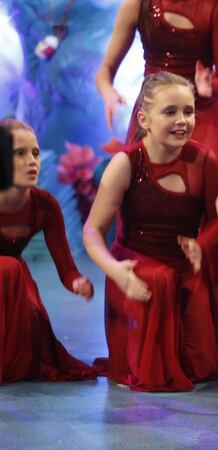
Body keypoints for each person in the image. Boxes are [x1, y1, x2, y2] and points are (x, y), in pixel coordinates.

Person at [84, 72, 218, 392]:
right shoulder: (126, 163)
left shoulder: (205, 161)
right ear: (144, 119)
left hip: (183, 264)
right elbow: (92, 231)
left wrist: (201, 244)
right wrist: (116, 272)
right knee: (158, 279)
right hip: (138, 263)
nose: (182, 121)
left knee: (202, 367)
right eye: (170, 112)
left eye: (188, 112)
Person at [0, 118, 96, 384]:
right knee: (8, 268)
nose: (32, 161)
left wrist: (78, 282)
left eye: (35, 153)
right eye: (20, 153)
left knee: (13, 271)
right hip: (5, 277)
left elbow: (66, 268)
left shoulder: (45, 205)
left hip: (12, 284)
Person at [96, 0, 218, 174]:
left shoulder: (215, 7)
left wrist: (210, 87)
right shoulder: (138, 4)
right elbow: (105, 70)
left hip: (199, 115)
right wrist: (109, 93)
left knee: (201, 186)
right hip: (154, 112)